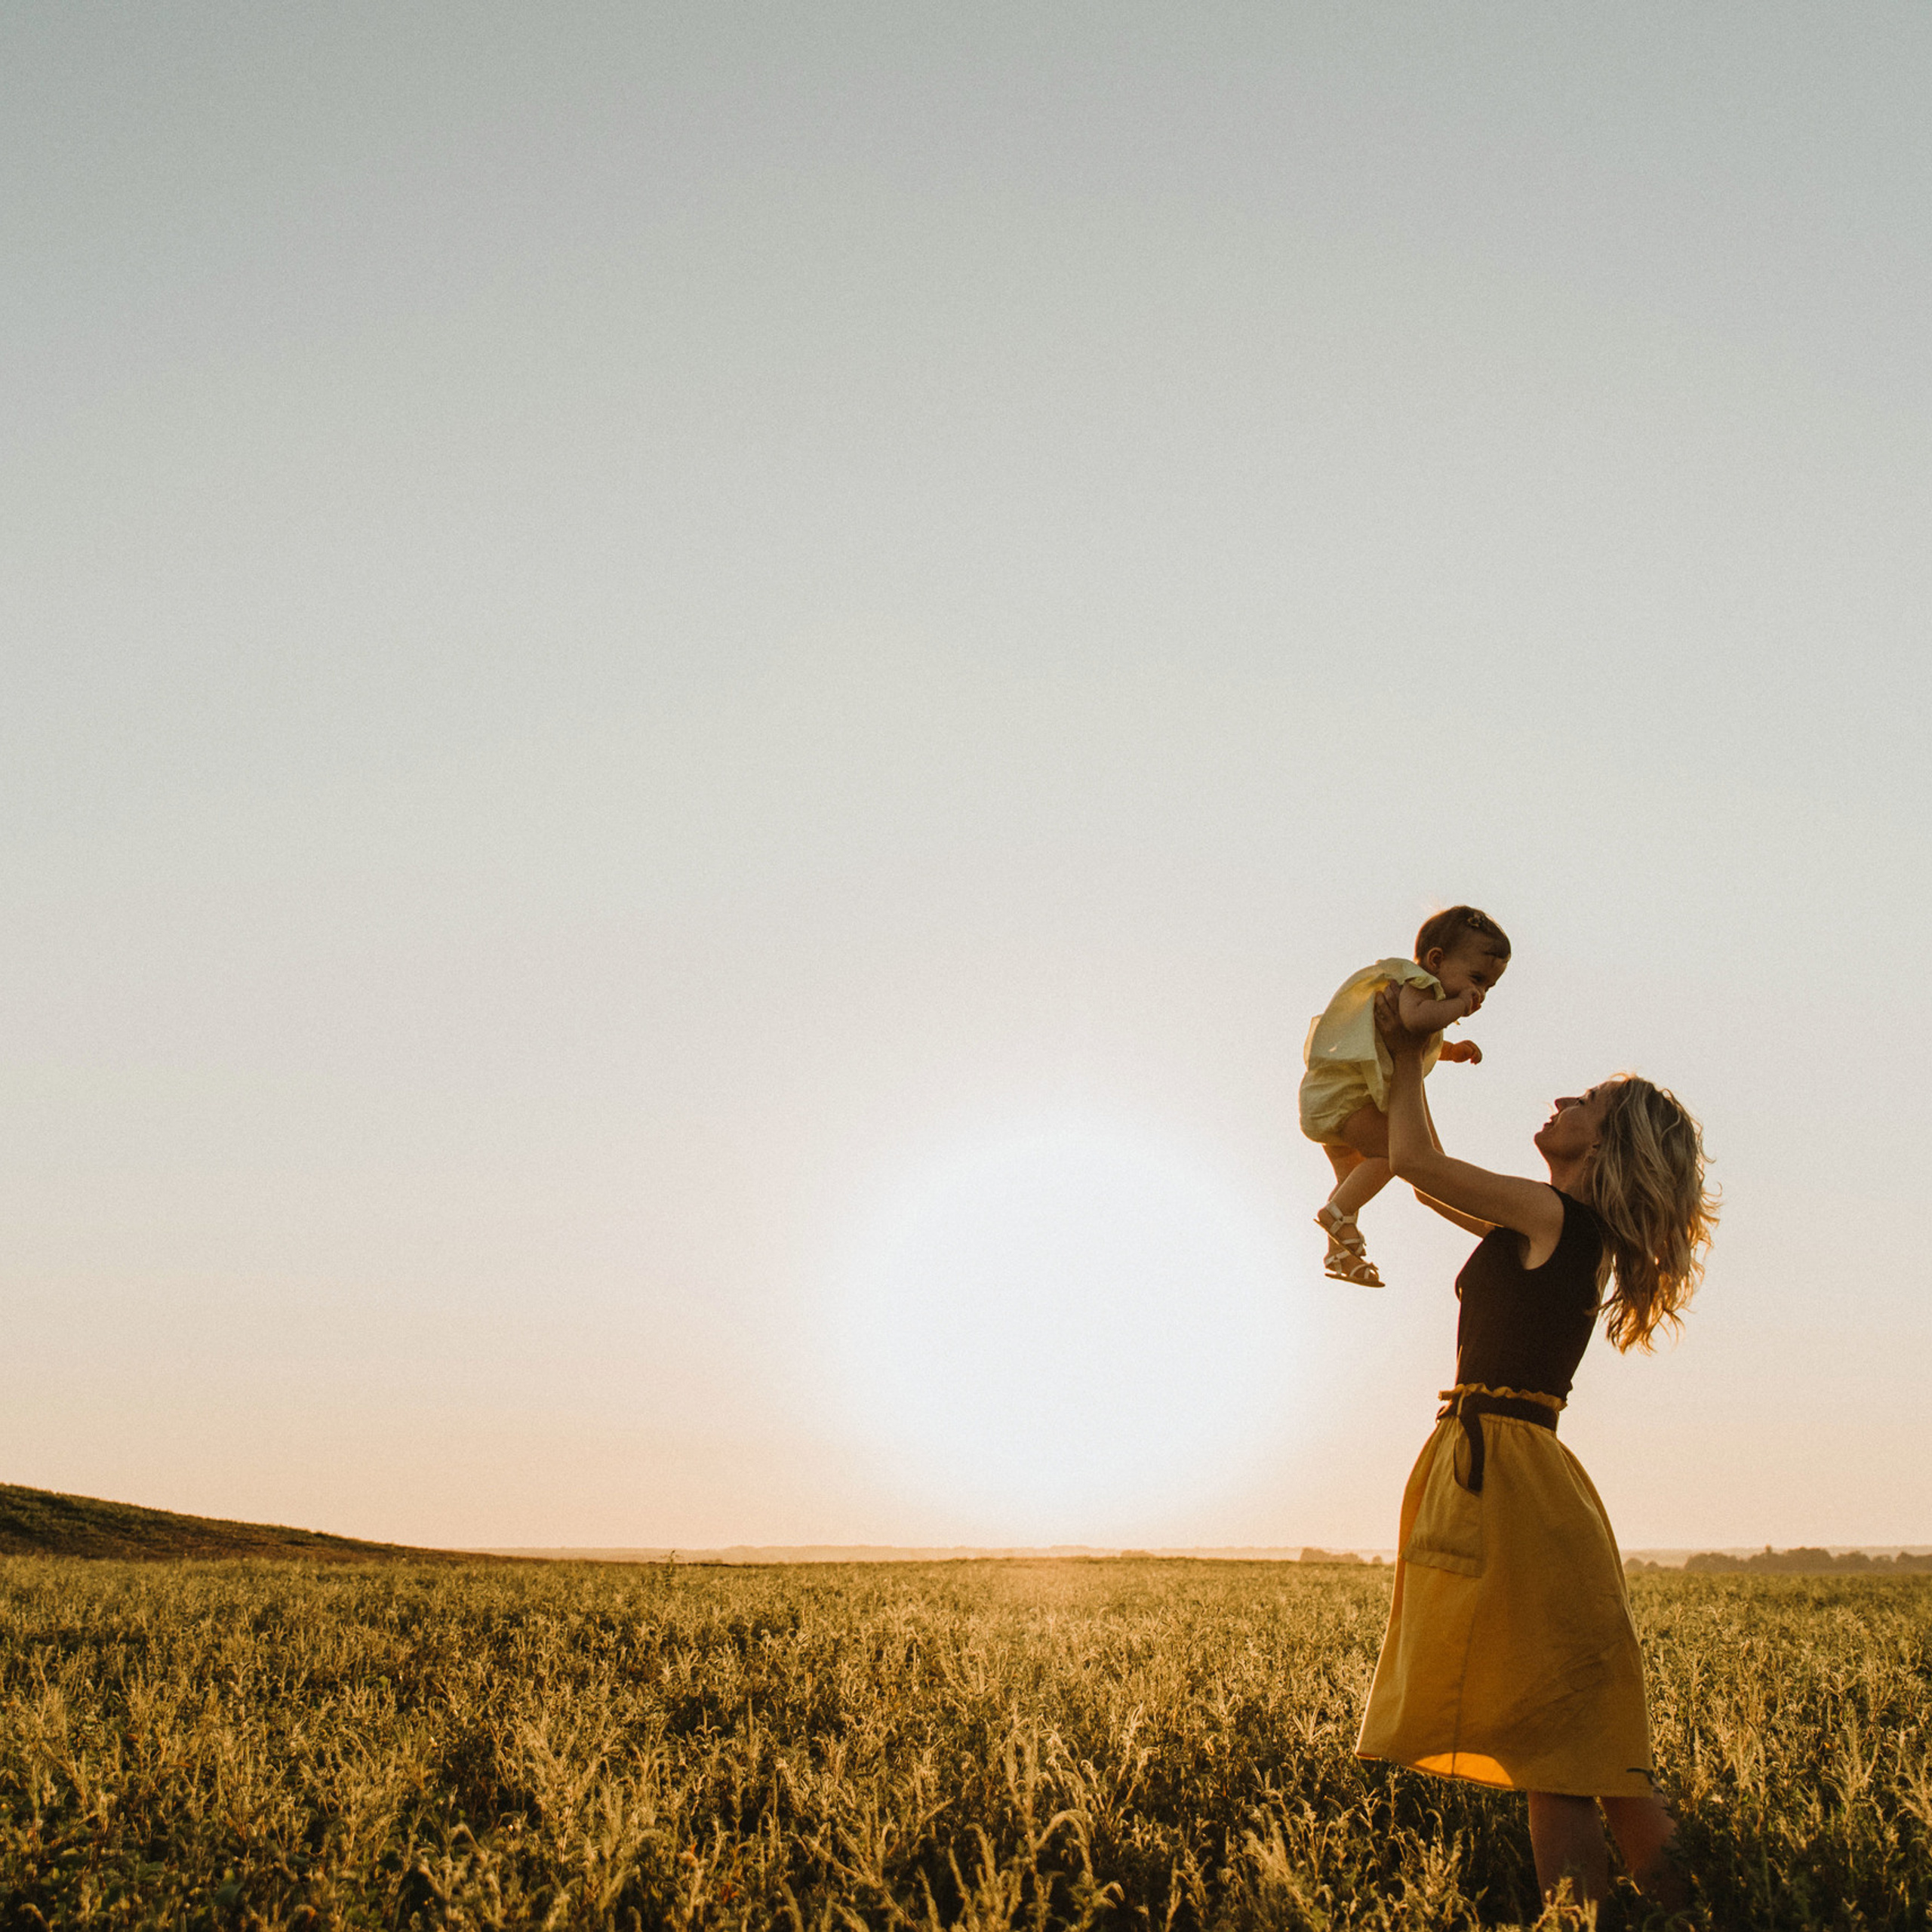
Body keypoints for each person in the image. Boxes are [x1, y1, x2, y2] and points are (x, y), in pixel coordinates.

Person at [1353, 983, 1717, 1913]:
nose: (1560, 1102)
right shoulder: (1543, 1222)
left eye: (1582, 1104)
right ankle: (1697, 1915)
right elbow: (1400, 1162)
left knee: (1569, 1751)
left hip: (1508, 1474)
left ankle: (1678, 1913)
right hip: (1509, 1467)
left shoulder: (1552, 1220)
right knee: (1577, 1751)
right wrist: (1382, 1076)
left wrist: (1408, 1045)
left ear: (1603, 1146)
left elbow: (1415, 1156)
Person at [1300, 907, 1511, 1284]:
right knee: (1393, 1154)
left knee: (1353, 1177)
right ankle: (1335, 1214)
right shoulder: (1416, 984)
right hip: (1347, 1101)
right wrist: (1458, 1007)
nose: (1479, 993)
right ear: (1436, 960)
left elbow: (1421, 1038)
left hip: (1342, 1100)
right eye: (1476, 979)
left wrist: (1453, 1049)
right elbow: (1415, 1024)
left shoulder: (1423, 1000)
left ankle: (1339, 1256)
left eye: (1488, 988)